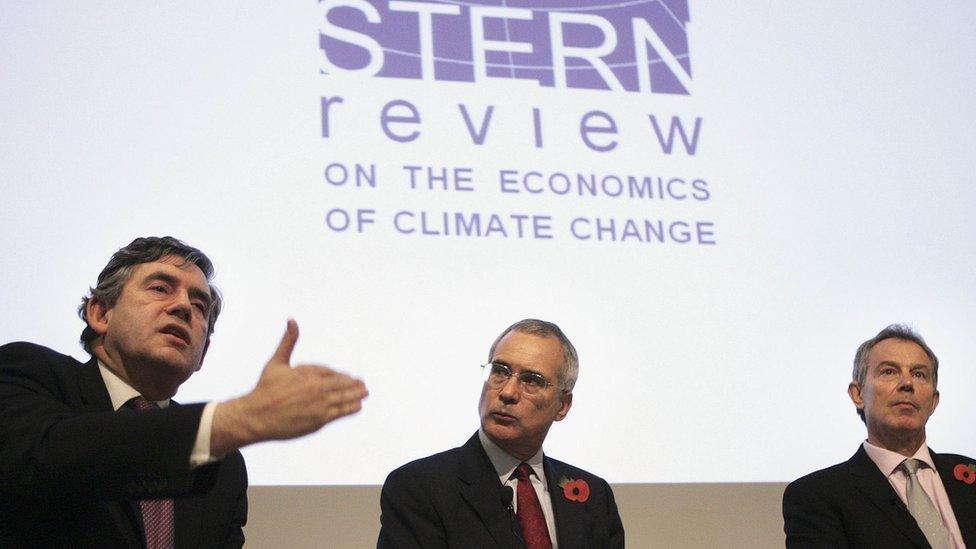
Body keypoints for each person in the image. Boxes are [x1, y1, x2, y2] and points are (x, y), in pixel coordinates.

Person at [0, 236, 369, 548]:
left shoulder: (222, 467)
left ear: (202, 354)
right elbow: (52, 456)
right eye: (160, 288)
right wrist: (240, 418)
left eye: (199, 306)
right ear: (100, 313)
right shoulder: (30, 373)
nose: (182, 308)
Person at [378, 318, 624, 548]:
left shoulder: (594, 497)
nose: (508, 392)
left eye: (531, 380)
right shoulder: (419, 488)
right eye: (500, 371)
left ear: (563, 406)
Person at [783, 324, 976, 548]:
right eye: (889, 371)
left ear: (933, 401)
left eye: (919, 374)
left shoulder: (968, 474)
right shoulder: (817, 496)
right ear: (858, 394)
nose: (907, 384)